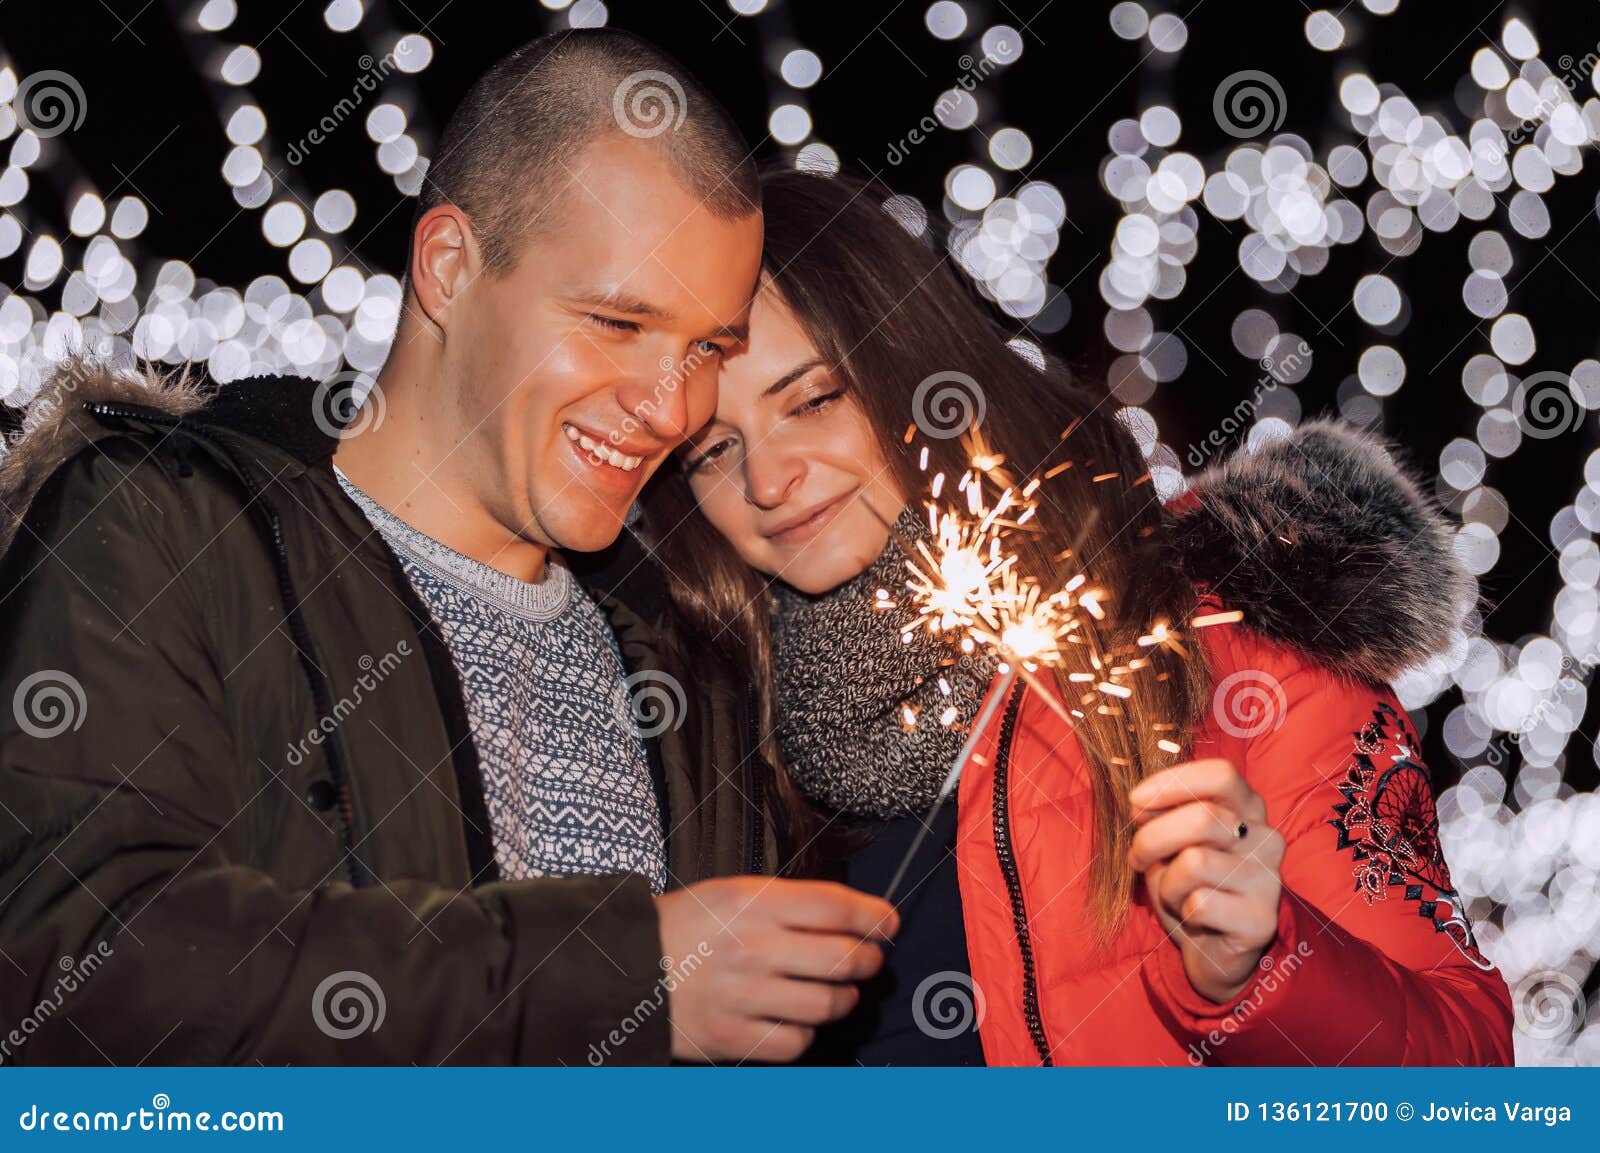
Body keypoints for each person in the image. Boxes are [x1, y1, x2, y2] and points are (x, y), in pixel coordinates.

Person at [0, 31, 895, 1067]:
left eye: (705, 347)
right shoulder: (162, 533)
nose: (668, 406)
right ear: (449, 266)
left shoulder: (690, 663)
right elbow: (72, 965)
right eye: (615, 321)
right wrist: (617, 975)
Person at [636, 168, 1515, 1065]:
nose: (768, 479)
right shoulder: (712, 750)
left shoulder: (1235, 650)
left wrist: (1264, 966)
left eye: (814, 399)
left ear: (914, 368)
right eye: (713, 449)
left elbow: (1467, 1080)